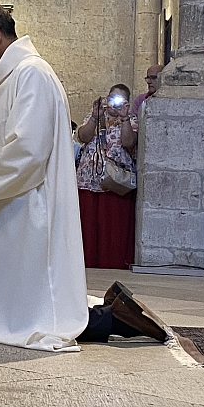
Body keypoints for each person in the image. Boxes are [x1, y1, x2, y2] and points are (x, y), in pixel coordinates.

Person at [0, 1, 167, 350]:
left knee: (41, 310)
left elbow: (30, 153)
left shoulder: (31, 73)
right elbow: (16, 143)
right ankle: (109, 315)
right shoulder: (15, 76)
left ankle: (113, 319)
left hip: (32, 204)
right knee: (30, 297)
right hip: (18, 200)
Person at [76, 84, 138, 269]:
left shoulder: (131, 120)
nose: (114, 103)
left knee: (112, 229)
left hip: (115, 183)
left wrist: (124, 117)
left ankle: (112, 265)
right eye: (111, 97)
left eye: (119, 99)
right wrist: (95, 117)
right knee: (88, 227)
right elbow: (83, 137)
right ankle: (87, 264)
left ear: (126, 101)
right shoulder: (95, 117)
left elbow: (129, 142)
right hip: (89, 180)